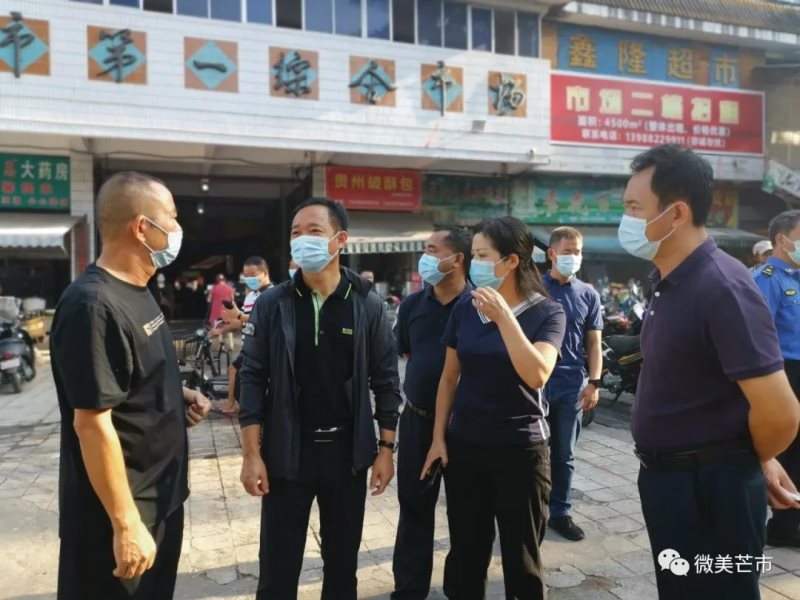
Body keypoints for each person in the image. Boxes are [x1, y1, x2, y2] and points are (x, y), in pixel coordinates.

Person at [618, 145, 800, 598]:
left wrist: (747, 460)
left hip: (710, 488)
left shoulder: (722, 286)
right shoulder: (668, 280)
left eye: (634, 208)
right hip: (673, 483)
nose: (626, 220)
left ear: (677, 213)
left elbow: (781, 413)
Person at [50, 171, 211, 600]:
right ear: (142, 228)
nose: (177, 229)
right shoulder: (93, 305)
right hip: (119, 516)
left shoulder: (138, 290)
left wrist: (175, 398)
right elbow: (91, 422)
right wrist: (125, 525)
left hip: (161, 500)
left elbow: (131, 379)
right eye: (172, 217)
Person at [238, 198, 402, 599]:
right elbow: (253, 378)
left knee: (342, 569)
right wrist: (251, 454)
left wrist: (386, 450)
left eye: (314, 231)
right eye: (296, 232)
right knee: (277, 571)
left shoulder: (367, 304)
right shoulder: (273, 303)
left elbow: (386, 381)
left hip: (347, 456)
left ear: (339, 239)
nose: (302, 240)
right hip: (287, 454)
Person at [422, 216, 566, 599]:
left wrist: (504, 317)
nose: (476, 264)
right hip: (466, 447)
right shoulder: (466, 308)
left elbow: (536, 373)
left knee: (522, 557)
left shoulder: (548, 312)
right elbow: (449, 378)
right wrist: (438, 438)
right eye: (474, 255)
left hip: (522, 451)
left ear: (512, 261)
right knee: (466, 552)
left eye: (484, 255)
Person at [391, 226, 473, 600]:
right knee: (414, 507)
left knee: (466, 512)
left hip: (466, 427)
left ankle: (462, 589)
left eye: (432, 250)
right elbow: (408, 352)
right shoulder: (412, 305)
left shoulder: (481, 305)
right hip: (417, 421)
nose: (425, 257)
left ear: (457, 259)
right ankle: (409, 589)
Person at [542, 226, 603, 542]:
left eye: (577, 252)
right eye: (568, 251)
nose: (574, 257)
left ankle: (560, 513)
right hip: (536, 384)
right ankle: (529, 509)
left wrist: (594, 382)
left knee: (564, 455)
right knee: (530, 453)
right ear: (552, 254)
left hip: (571, 387)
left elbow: (593, 343)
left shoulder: (588, 294)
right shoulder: (534, 288)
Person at [754, 210, 800, 548]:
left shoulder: (796, 278)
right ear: (783, 239)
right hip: (785, 372)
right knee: (789, 449)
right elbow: (757, 336)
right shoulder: (767, 279)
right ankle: (784, 524)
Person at [213, 256, 272, 414]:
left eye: (253, 275)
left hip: (262, 346)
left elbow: (261, 321)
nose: (249, 279)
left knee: (241, 373)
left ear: (265, 273)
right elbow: (244, 323)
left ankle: (239, 406)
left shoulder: (272, 295)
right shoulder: (250, 296)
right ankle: (233, 404)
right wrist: (224, 327)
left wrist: (238, 315)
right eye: (246, 276)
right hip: (249, 345)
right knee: (234, 369)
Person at [208, 273, 234, 348]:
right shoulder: (229, 287)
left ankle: (221, 346)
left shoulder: (213, 288)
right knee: (228, 326)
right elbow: (232, 299)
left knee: (218, 327)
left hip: (216, 310)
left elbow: (209, 299)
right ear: (224, 279)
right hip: (226, 309)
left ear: (217, 280)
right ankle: (231, 345)